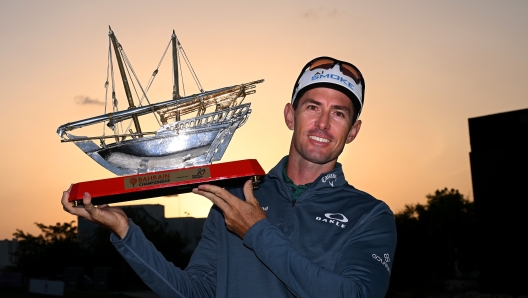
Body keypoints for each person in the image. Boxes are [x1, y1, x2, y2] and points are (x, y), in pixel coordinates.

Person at [62, 56, 397, 297]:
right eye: (312, 107)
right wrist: (125, 231)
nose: (323, 124)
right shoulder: (234, 196)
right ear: (290, 115)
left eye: (338, 113)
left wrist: (256, 231)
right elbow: (194, 292)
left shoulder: (370, 215)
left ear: (353, 131)